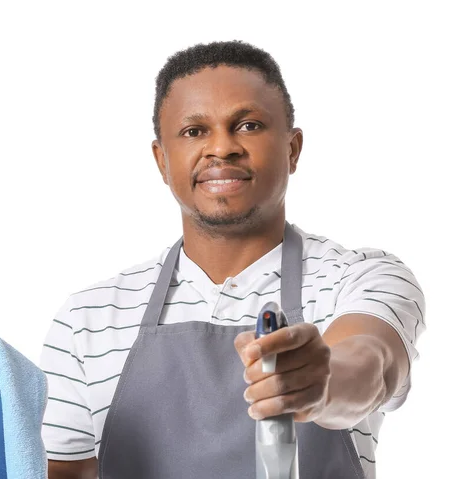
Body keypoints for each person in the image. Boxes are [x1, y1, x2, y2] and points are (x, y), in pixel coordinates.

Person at [34, 40, 425, 478]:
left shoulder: (359, 278)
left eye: (249, 125)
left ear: (293, 149)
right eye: (194, 131)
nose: (222, 148)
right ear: (162, 161)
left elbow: (373, 362)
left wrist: (323, 381)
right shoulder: (87, 318)